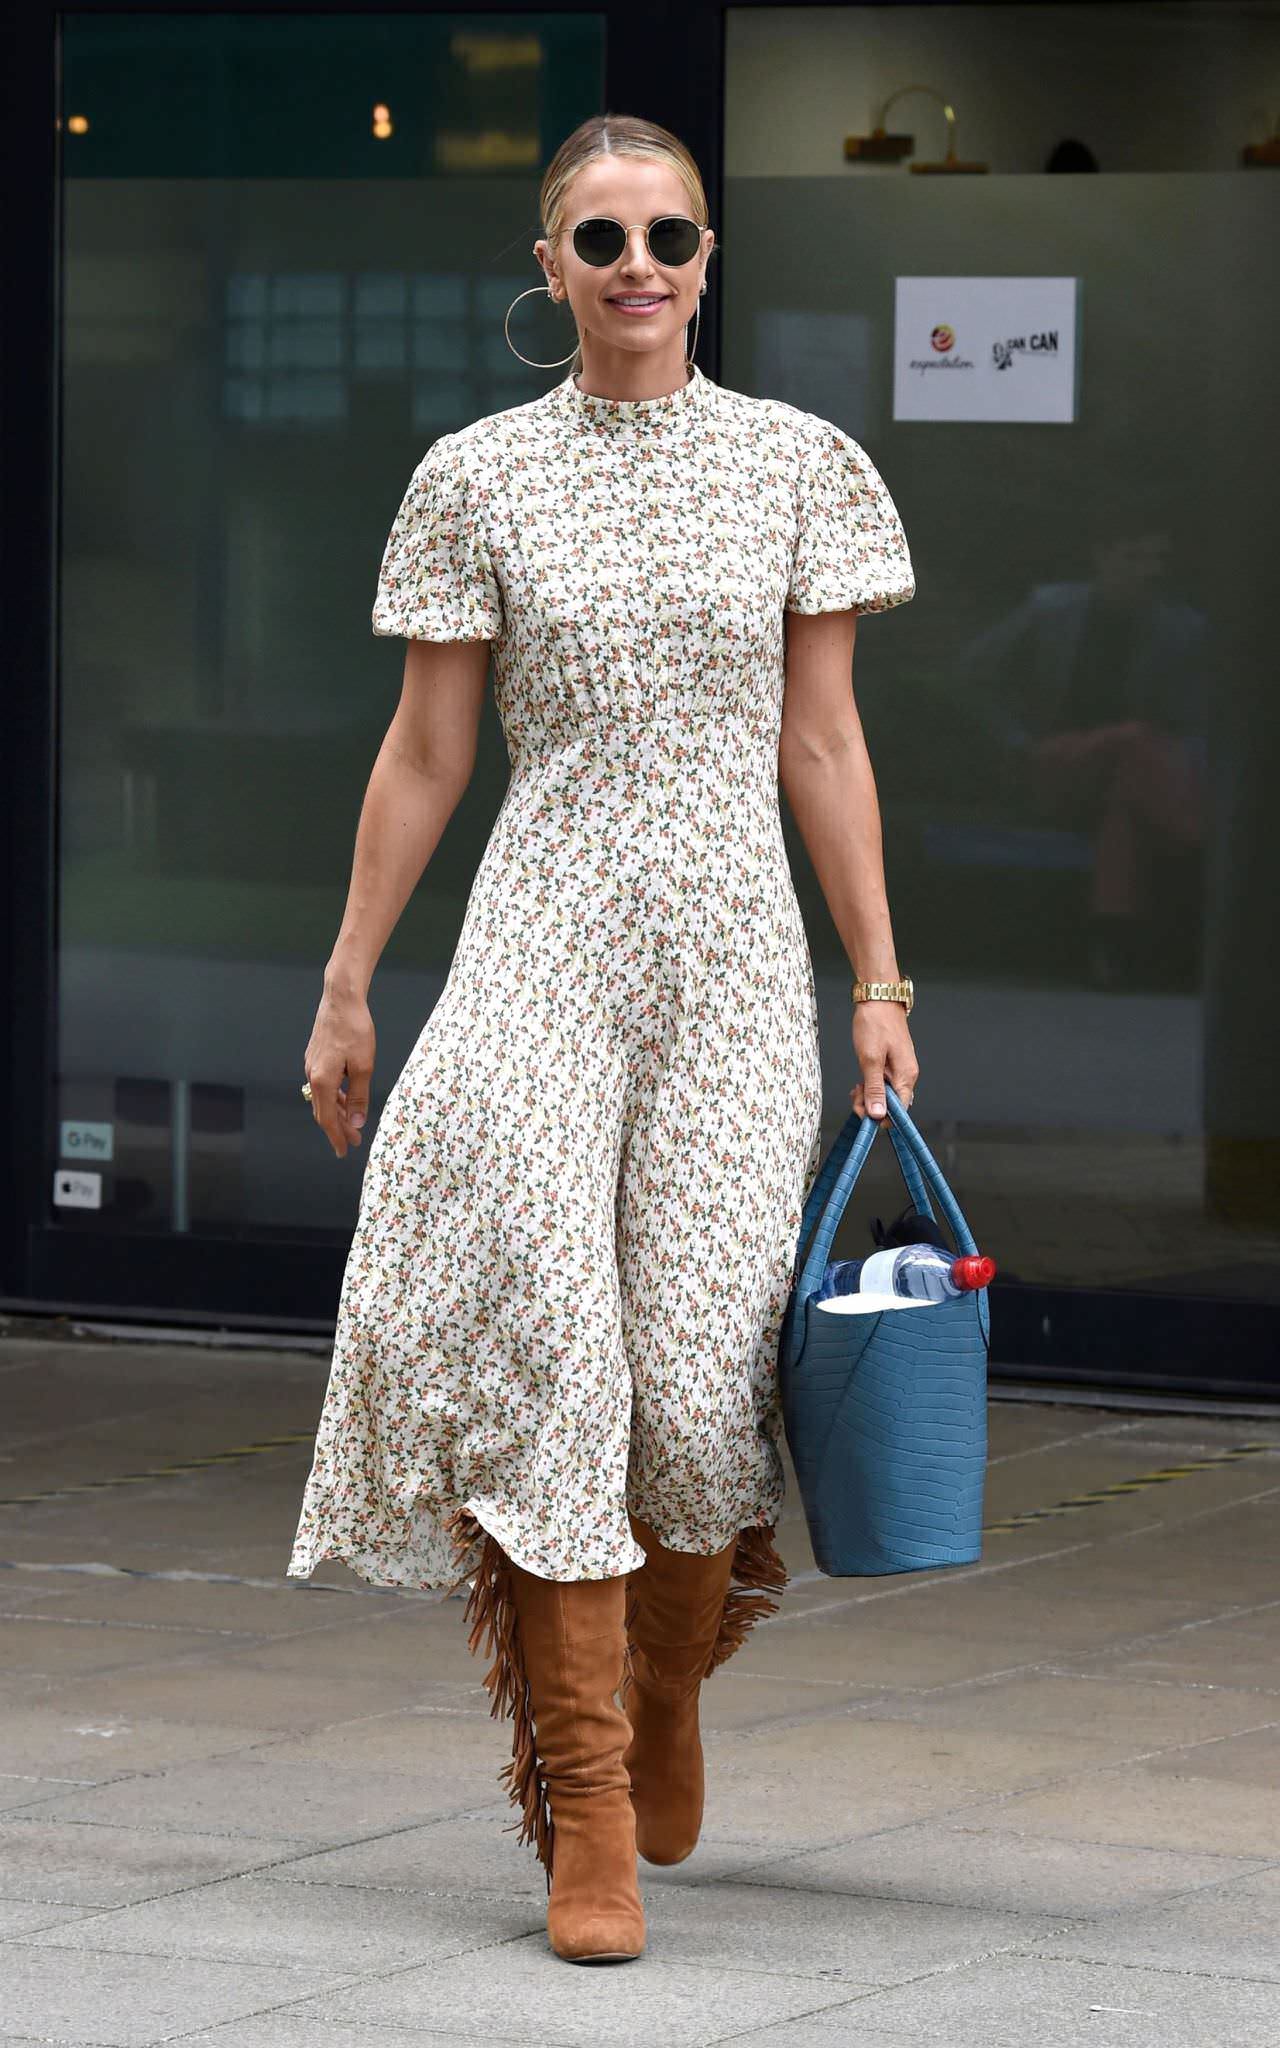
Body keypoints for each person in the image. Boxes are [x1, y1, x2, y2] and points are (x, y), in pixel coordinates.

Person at [287, 112, 919, 1966]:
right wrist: (348, 978)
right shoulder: (476, 476)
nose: (638, 263)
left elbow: (825, 743)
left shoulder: (804, 467)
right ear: (545, 264)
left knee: (697, 1396)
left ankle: (664, 1698)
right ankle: (585, 1817)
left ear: (709, 257)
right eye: (600, 236)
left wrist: (878, 984)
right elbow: (425, 754)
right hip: (540, 954)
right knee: (558, 1353)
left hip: (730, 970)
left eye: (669, 233)